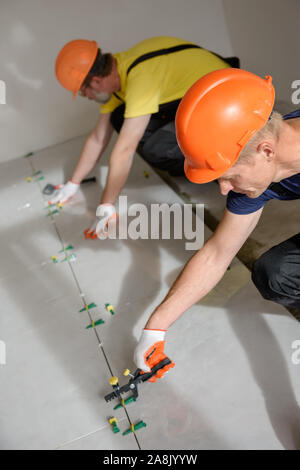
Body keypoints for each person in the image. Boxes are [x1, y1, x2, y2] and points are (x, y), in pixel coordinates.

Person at [133, 68, 300, 379]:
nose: (224, 189)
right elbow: (217, 254)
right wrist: (155, 328)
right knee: (276, 274)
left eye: (230, 177)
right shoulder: (266, 165)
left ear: (266, 151)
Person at [53, 36, 238, 238]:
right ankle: (198, 159)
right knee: (119, 116)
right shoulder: (121, 70)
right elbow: (98, 138)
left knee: (157, 148)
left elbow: (124, 150)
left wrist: (106, 205)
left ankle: (223, 168)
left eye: (83, 92)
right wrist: (73, 183)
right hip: (202, 96)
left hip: (229, 100)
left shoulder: (140, 77)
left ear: (96, 81)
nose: (87, 97)